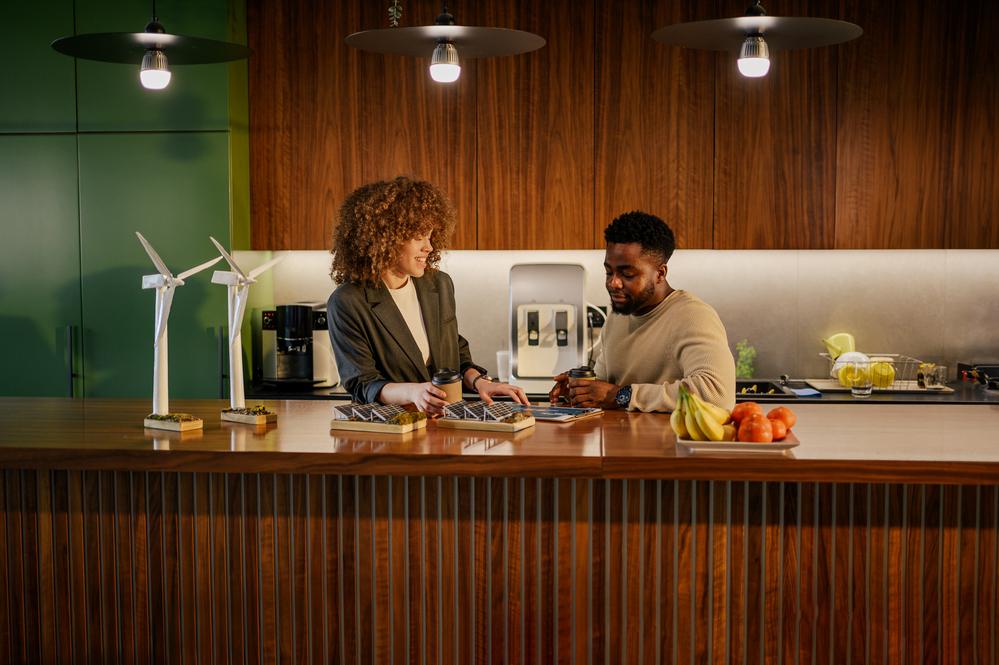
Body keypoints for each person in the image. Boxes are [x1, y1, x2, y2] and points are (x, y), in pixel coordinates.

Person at [327, 176, 529, 414]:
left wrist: (480, 382)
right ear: (385, 238)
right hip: (392, 431)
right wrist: (413, 392)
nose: (429, 247)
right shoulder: (348, 302)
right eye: (418, 237)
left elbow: (455, 352)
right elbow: (363, 383)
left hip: (445, 426)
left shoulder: (438, 285)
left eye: (431, 236)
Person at [551, 211, 735, 412]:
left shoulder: (693, 316)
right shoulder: (616, 317)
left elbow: (717, 394)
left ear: (660, 273)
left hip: (664, 443)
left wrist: (621, 396)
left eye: (627, 274)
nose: (614, 283)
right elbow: (605, 387)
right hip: (620, 441)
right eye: (609, 272)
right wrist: (580, 388)